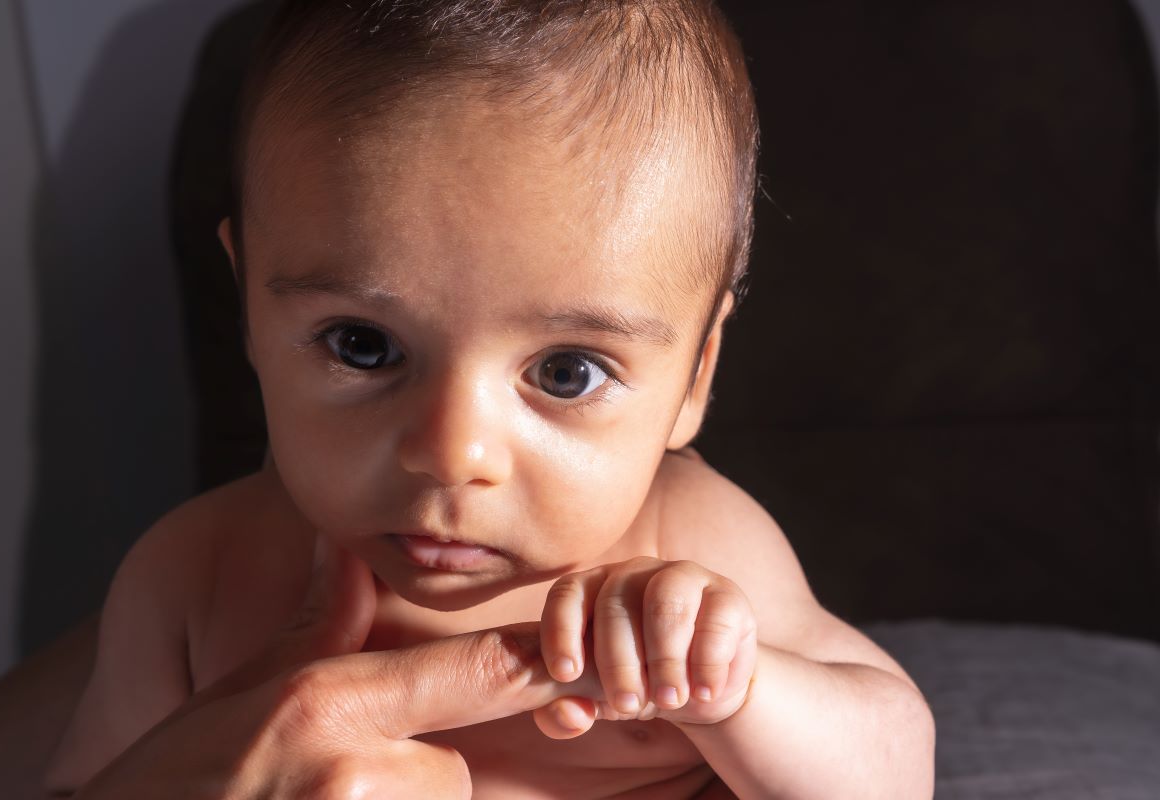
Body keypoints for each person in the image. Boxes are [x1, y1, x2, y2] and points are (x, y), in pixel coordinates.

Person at [46, 1, 935, 797]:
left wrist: (733, 687)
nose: (452, 450)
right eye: (364, 346)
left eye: (566, 371)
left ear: (695, 374)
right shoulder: (193, 582)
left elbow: (894, 763)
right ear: (248, 306)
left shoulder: (690, 547)